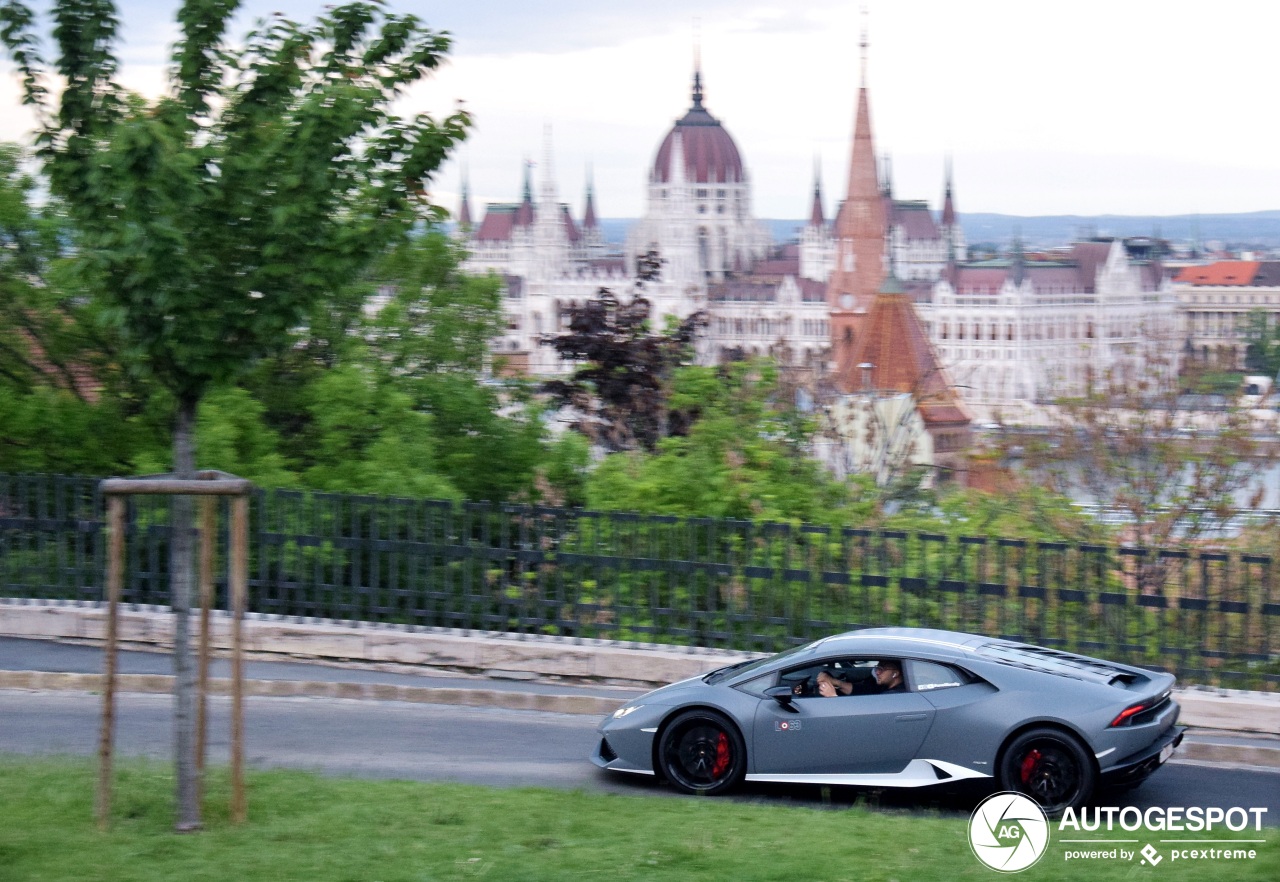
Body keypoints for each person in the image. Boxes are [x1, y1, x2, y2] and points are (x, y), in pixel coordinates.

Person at [816, 660, 904, 697]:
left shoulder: (893, 695)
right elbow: (860, 689)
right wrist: (834, 682)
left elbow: (859, 715)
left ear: (895, 673)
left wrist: (832, 697)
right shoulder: (883, 685)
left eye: (882, 669)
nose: (877, 672)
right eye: (877, 668)